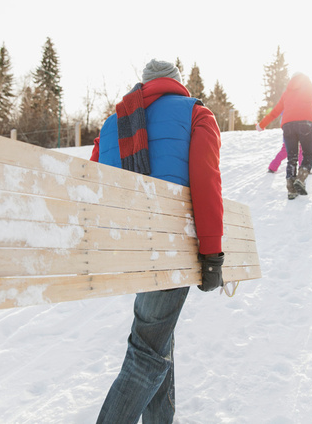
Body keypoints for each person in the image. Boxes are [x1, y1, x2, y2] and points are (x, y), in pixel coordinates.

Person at [90, 59, 224, 423]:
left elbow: (91, 186)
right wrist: (212, 255)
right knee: (146, 355)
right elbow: (206, 183)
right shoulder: (196, 114)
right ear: (176, 84)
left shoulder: (112, 123)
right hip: (169, 249)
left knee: (158, 342)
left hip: (127, 249)